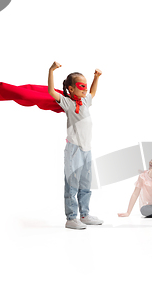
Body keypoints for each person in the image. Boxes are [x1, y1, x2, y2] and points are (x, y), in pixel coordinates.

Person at [48, 61, 104, 230]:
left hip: (87, 149)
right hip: (74, 150)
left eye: (85, 86)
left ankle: (85, 215)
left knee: (86, 184)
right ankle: (71, 218)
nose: (85, 89)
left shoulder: (85, 101)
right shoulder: (67, 103)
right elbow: (51, 91)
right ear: (71, 89)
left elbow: (93, 92)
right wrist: (51, 71)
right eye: (81, 86)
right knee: (72, 183)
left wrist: (96, 78)